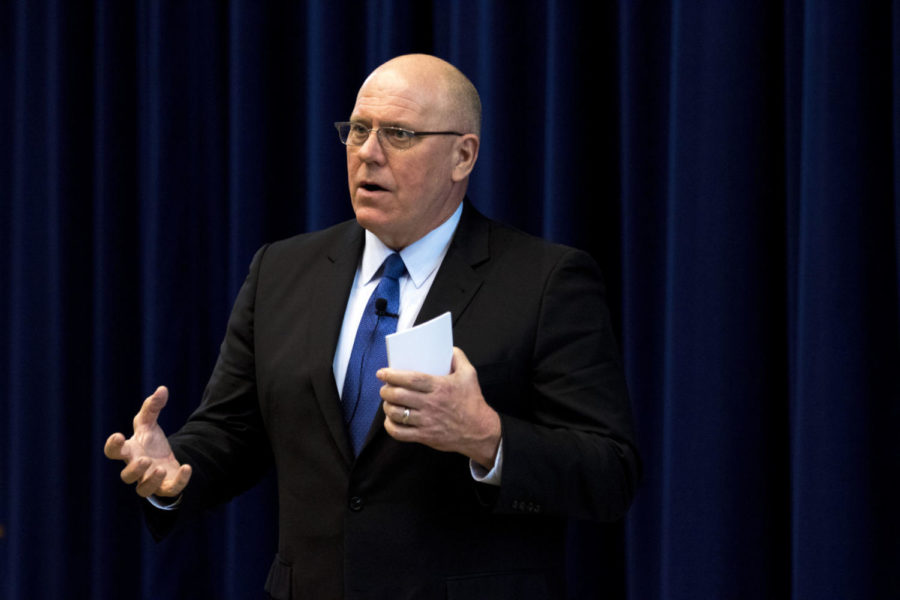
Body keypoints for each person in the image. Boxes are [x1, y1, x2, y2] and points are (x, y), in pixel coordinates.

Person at [104, 53, 640, 600]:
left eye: (399, 134)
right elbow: (233, 430)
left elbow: (610, 473)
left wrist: (487, 438)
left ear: (463, 155)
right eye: (358, 130)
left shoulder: (545, 280)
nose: (368, 153)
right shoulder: (283, 270)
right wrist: (175, 465)